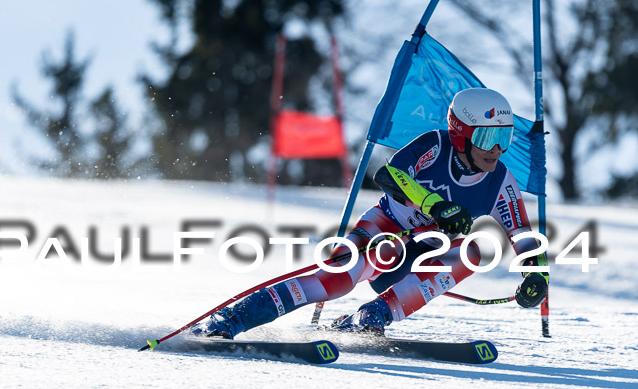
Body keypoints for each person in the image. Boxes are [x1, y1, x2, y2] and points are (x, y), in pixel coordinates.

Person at [190, 87, 549, 338]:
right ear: (461, 134)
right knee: (334, 281)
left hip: (423, 258)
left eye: (505, 137)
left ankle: (373, 315)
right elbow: (388, 174)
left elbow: (523, 236)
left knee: (472, 252)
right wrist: (434, 204)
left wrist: (537, 277)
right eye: (488, 138)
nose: (497, 149)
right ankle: (231, 319)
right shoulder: (435, 145)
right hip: (384, 235)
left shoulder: (501, 181)